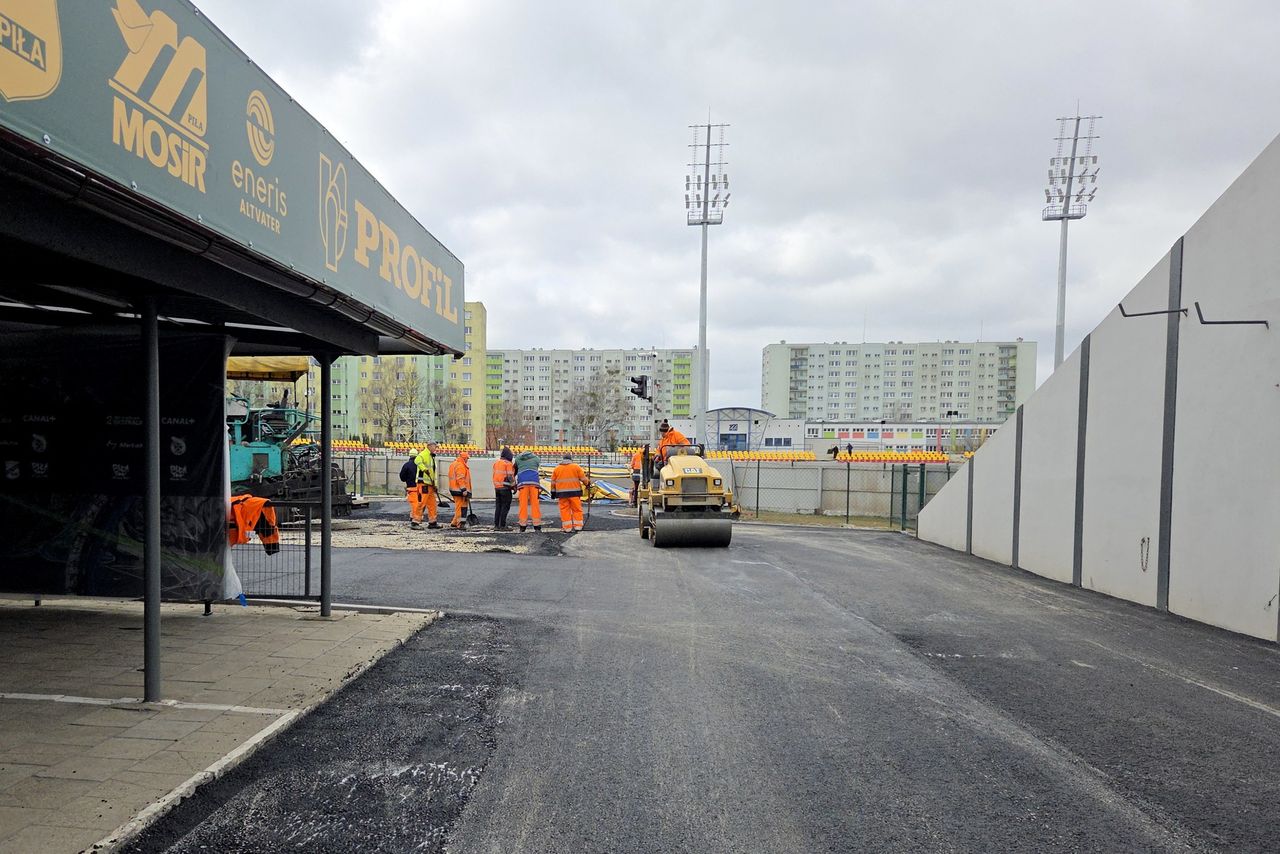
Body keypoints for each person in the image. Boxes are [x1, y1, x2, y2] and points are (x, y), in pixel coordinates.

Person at [550, 453, 590, 532]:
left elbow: (553, 482)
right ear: (571, 459)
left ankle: (567, 527)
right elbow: (583, 479)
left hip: (562, 494)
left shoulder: (557, 469)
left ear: (563, 459)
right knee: (577, 509)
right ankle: (578, 526)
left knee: (564, 510)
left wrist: (553, 492)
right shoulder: (576, 467)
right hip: (574, 493)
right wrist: (588, 483)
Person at [513, 449, 542, 532]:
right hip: (534, 483)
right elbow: (537, 465)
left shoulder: (518, 459)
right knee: (535, 504)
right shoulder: (536, 458)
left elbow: (514, 470)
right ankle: (537, 526)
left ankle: (522, 526)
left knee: (523, 504)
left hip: (523, 483)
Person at [412, 442, 440, 528]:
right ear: (430, 446)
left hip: (430, 485)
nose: (436, 448)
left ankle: (432, 522)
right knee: (422, 503)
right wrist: (424, 469)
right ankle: (415, 522)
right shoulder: (424, 454)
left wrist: (435, 485)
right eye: (435, 446)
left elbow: (432, 473)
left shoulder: (431, 456)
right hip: (423, 484)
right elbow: (417, 460)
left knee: (432, 504)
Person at [448, 451, 472, 529]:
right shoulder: (460, 465)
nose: (467, 460)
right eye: (467, 458)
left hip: (455, 489)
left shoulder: (454, 464)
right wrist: (464, 489)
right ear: (464, 458)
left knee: (460, 506)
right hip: (459, 490)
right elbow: (460, 478)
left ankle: (455, 522)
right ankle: (460, 523)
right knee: (460, 507)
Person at [492, 447, 515, 529]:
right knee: (505, 507)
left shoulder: (497, 463)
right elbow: (510, 476)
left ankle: (496, 525)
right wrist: (514, 486)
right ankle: (502, 525)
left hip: (497, 488)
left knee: (498, 506)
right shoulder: (508, 463)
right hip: (505, 489)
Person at [399, 452, 423, 528]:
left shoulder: (406, 465)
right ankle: (414, 518)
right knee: (418, 504)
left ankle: (414, 519)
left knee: (414, 504)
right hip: (421, 487)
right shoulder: (420, 465)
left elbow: (402, 477)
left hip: (411, 488)